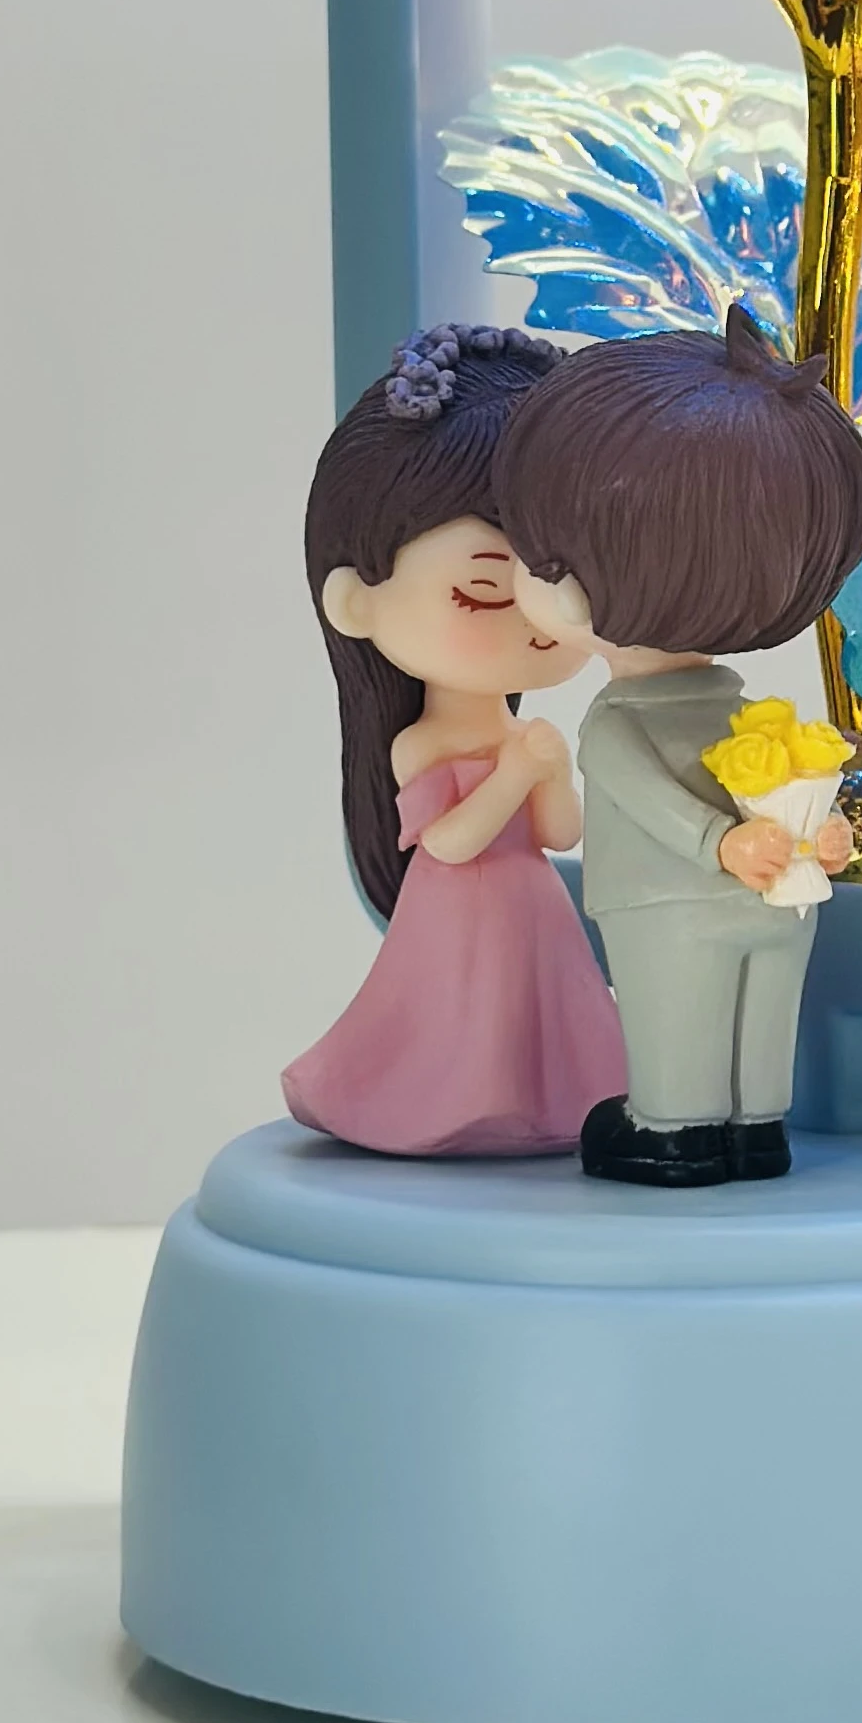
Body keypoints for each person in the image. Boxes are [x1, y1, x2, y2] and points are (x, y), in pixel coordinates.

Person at [496, 306, 862, 1186]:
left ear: (573, 584)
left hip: (667, 901)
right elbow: (785, 779)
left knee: (679, 1012)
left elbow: (652, 801)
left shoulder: (615, 721)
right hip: (780, 902)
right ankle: (756, 1128)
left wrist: (721, 845)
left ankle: (675, 1127)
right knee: (761, 1015)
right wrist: (817, 836)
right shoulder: (747, 711)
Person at [284, 325, 628, 1157]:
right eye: (484, 589)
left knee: (543, 1019)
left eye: (559, 576)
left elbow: (560, 835)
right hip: (457, 915)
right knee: (466, 1019)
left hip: (534, 906)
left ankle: (555, 1104)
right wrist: (514, 773)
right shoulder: (422, 744)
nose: (535, 616)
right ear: (358, 603)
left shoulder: (522, 731)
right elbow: (447, 842)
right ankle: (450, 1105)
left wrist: (551, 776)